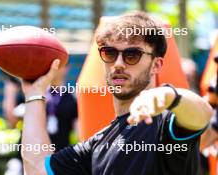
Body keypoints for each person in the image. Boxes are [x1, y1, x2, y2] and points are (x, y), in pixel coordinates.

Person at [20, 12, 213, 175]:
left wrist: (170, 96)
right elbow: (37, 167)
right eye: (110, 53)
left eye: (132, 55)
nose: (118, 63)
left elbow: (201, 116)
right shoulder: (97, 145)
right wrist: (34, 94)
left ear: (156, 64)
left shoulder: (164, 121)